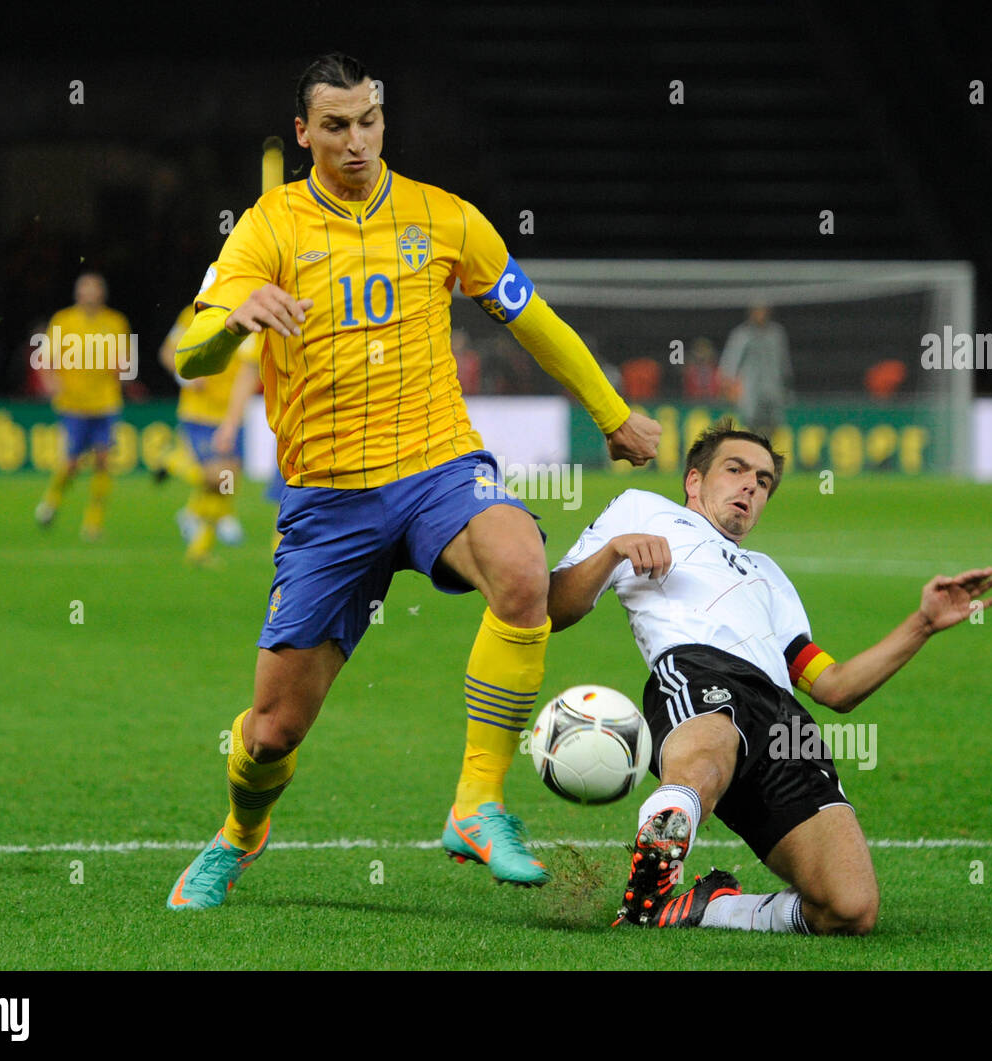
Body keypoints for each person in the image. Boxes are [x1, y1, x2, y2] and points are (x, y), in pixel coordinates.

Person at [166, 53, 660, 910]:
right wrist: (232, 323)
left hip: (439, 467)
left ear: (383, 119)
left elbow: (532, 319)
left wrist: (612, 412)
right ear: (303, 133)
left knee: (518, 568)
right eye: (334, 126)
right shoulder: (268, 227)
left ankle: (478, 802)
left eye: (367, 121)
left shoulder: (444, 219)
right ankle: (241, 831)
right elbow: (189, 353)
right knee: (273, 730)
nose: (354, 141)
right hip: (326, 499)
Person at [548, 420, 992, 932]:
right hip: (699, 669)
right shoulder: (643, 510)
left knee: (849, 909)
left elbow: (835, 688)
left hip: (786, 719)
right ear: (694, 480)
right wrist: (614, 550)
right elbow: (553, 607)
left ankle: (703, 909)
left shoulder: (769, 575)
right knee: (707, 751)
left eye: (763, 481)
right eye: (736, 470)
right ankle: (657, 864)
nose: (750, 486)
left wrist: (921, 625)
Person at [156, 303, 260, 566]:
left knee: (227, 483)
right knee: (215, 476)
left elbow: (252, 365)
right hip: (199, 412)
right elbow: (167, 353)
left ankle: (199, 547)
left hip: (232, 414)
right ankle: (174, 461)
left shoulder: (253, 312)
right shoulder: (193, 314)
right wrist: (187, 378)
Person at [34, 272, 131, 541]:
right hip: (74, 403)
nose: (90, 294)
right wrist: (50, 383)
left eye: (95, 289)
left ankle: (93, 523)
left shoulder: (115, 322)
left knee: (102, 461)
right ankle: (51, 501)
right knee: (72, 463)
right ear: (78, 293)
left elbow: (125, 363)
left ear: (102, 294)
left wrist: (122, 369)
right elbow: (45, 359)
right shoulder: (63, 321)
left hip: (106, 402)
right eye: (86, 289)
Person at [718, 305, 792, 434]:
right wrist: (728, 384)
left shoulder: (776, 334)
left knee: (774, 423)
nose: (760, 315)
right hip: (751, 388)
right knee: (750, 423)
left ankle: (767, 449)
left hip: (773, 386)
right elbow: (730, 361)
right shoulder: (742, 335)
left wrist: (786, 383)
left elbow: (783, 360)